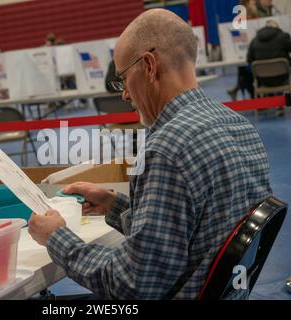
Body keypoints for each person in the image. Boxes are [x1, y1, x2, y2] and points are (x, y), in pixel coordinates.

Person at [28, 9, 272, 299]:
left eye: (123, 78)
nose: (124, 94)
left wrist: (56, 237)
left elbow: (133, 285)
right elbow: (191, 230)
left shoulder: (166, 149)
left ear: (148, 66)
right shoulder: (240, 126)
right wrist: (114, 204)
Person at [247, 20, 291, 116]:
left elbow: (249, 60)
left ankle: (262, 103)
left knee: (246, 73)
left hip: (263, 81)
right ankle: (279, 104)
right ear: (277, 28)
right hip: (282, 78)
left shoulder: (254, 41)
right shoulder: (283, 37)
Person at [227, 0, 259, 101]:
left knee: (243, 70)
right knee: (242, 69)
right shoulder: (241, 11)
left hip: (256, 51)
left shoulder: (257, 9)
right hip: (247, 50)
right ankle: (238, 90)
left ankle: (236, 89)